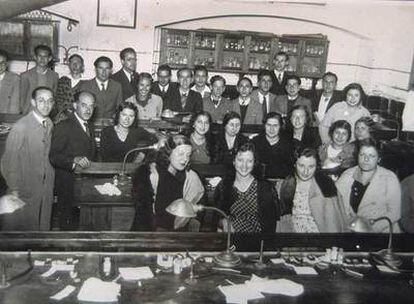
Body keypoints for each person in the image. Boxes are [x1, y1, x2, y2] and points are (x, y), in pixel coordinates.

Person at [1, 86, 55, 230]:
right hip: (25, 189)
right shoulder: (21, 127)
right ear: (33, 102)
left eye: (50, 101)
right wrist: (15, 188)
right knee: (25, 231)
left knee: (42, 227)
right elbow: (8, 162)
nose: (46, 105)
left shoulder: (49, 123)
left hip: (45, 188)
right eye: (41, 100)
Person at [131, 134, 204, 231]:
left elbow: (196, 210)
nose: (185, 159)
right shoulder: (150, 173)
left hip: (179, 233)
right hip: (150, 231)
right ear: (169, 153)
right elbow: (143, 213)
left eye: (188, 155)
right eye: (180, 154)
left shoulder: (191, 177)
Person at [49, 91, 96, 230]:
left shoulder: (88, 125)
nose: (88, 109)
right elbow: (53, 156)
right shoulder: (64, 125)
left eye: (91, 106)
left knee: (80, 223)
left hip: (82, 184)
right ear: (75, 105)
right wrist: (73, 161)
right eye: (84, 105)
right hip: (67, 183)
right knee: (67, 225)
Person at [336, 138, 401, 233]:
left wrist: (369, 230)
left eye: (371, 156)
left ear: (379, 159)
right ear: (357, 156)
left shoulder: (389, 178)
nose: (366, 159)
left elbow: (395, 213)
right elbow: (336, 205)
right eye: (362, 155)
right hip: (352, 230)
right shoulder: (347, 175)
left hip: (383, 233)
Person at [214, 142, 279, 233]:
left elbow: (270, 225)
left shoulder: (264, 188)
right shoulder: (224, 186)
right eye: (240, 160)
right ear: (234, 161)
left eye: (249, 161)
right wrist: (224, 222)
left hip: (257, 241)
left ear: (254, 163)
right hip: (231, 238)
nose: (244, 166)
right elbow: (216, 217)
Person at [278, 148, 345, 232]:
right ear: (294, 164)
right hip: (293, 238)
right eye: (301, 166)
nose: (306, 171)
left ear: (317, 166)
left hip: (319, 237)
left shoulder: (325, 185)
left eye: (311, 166)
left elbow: (333, 222)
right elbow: (281, 222)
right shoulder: (285, 184)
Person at [78, 56, 123, 121]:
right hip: (90, 125)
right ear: (96, 69)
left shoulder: (117, 86)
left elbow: (119, 108)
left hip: (110, 125)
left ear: (110, 70)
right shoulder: (85, 86)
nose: (104, 72)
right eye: (101, 68)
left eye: (107, 68)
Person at [252, 112, 294, 179]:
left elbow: (289, 170)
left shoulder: (287, 144)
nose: (271, 129)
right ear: (264, 125)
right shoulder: (255, 143)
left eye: (275, 125)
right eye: (269, 125)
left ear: (280, 126)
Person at [20, 45, 59, 114]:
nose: (42, 59)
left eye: (45, 56)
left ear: (49, 58)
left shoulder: (54, 76)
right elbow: (22, 98)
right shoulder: (25, 75)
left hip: (47, 112)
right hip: (29, 112)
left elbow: (54, 96)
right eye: (39, 56)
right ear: (35, 57)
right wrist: (23, 112)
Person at [53, 54, 85, 123]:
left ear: (82, 66)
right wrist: (64, 113)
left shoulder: (86, 83)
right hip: (62, 117)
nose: (75, 65)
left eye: (78, 63)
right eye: (72, 63)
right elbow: (58, 100)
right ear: (69, 65)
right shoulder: (62, 80)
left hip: (79, 118)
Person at [0, 49, 20, 114]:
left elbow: (15, 104)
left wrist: (11, 120)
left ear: (7, 64)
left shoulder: (15, 79)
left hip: (6, 117)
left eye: (2, 63)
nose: (0, 66)